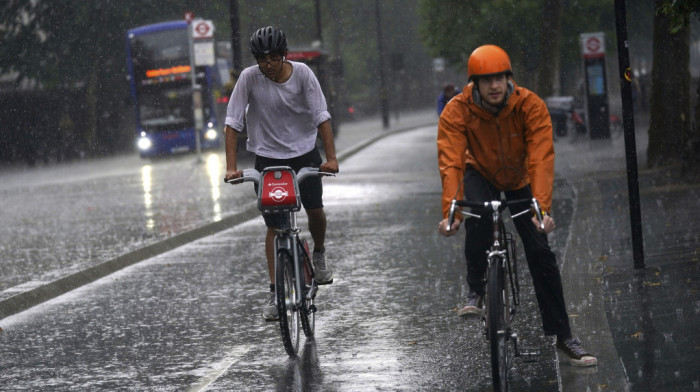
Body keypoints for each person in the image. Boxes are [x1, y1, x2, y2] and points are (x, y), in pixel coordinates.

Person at [436, 44, 597, 367]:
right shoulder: (457, 110)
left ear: (509, 78)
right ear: (474, 84)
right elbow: (451, 161)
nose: (494, 86)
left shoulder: (530, 106)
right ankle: (476, 290)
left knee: (540, 251)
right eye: (486, 80)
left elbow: (540, 157)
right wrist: (450, 212)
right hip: (479, 170)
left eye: (500, 78)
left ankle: (564, 335)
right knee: (478, 214)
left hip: (520, 176)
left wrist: (543, 209)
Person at [223, 26, 339, 321]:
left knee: (315, 210)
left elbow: (322, 117)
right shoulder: (249, 78)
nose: (268, 65)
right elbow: (232, 122)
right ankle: (276, 294)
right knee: (274, 227)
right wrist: (231, 167)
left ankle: (320, 254)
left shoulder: (302, 74)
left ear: (283, 56)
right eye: (262, 60)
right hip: (268, 159)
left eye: (273, 59)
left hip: (304, 152)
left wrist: (331, 158)